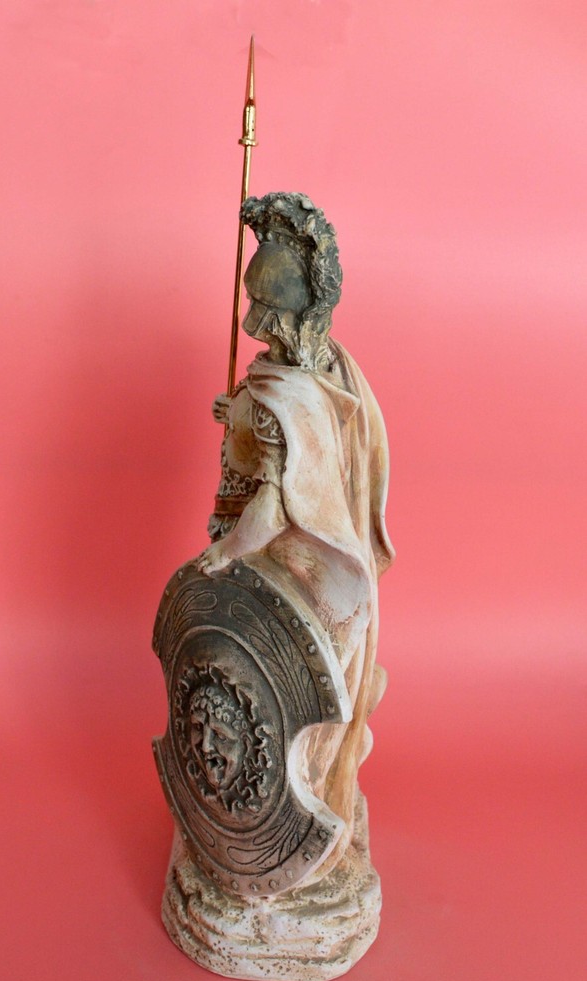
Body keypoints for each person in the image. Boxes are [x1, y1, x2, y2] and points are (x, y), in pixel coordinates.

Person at [197, 192, 394, 874]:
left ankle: (287, 842)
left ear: (276, 316)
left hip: (300, 577)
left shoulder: (286, 399)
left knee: (288, 718)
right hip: (325, 570)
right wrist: (240, 410)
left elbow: (274, 505)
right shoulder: (330, 368)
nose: (253, 325)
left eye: (260, 313)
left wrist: (224, 555)